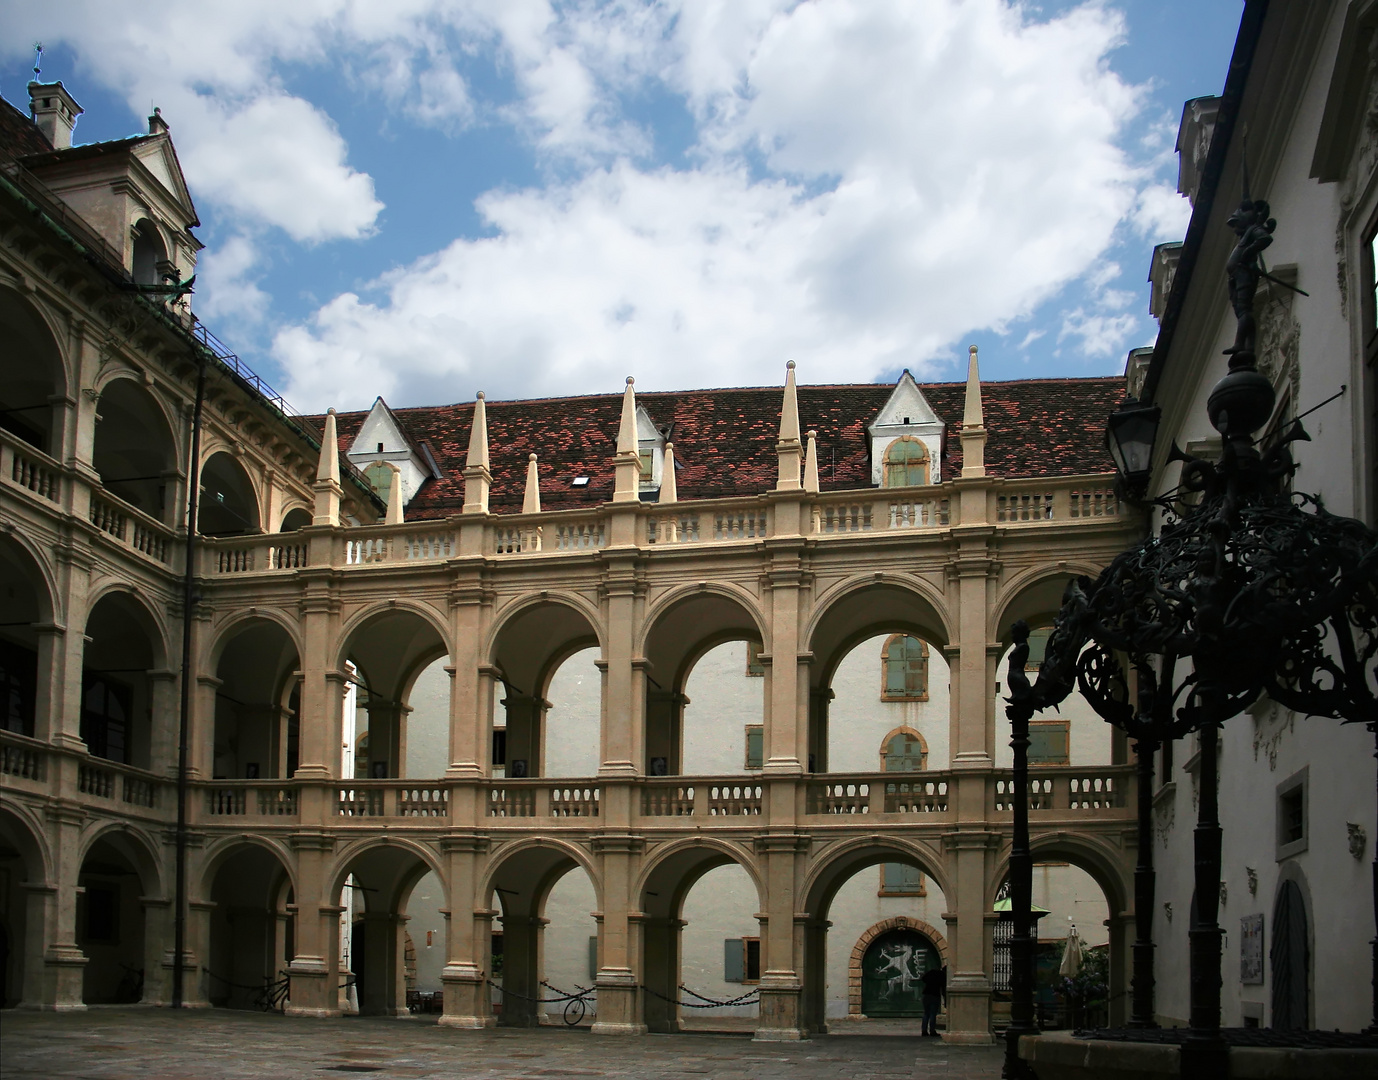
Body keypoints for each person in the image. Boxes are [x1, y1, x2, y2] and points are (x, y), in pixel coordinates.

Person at [920, 963, 946, 1037]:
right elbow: (943, 988)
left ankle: (924, 1030)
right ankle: (932, 1030)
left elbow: (923, 978)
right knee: (933, 1014)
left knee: (926, 1014)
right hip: (935, 995)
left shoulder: (931, 972)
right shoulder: (942, 975)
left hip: (926, 994)